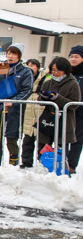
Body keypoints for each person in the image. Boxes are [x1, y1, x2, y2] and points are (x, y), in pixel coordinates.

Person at [0, 44, 33, 166]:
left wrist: (14, 101)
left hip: (15, 109)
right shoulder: (2, 67)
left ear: (19, 55)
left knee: (11, 137)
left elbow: (27, 90)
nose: (10, 56)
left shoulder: (25, 71)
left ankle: (13, 164)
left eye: (14, 54)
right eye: (9, 53)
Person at [36, 57, 81, 170]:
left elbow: (75, 104)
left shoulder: (73, 84)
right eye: (53, 70)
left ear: (65, 70)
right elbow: (40, 101)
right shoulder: (48, 82)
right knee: (42, 144)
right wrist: (44, 98)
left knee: (62, 145)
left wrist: (57, 98)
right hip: (48, 119)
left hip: (64, 120)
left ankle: (61, 168)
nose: (55, 73)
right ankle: (42, 166)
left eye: (58, 70)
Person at [20, 59, 48, 169]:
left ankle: (42, 162)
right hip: (28, 109)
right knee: (27, 138)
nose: (30, 67)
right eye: (28, 65)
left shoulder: (44, 77)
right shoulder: (25, 76)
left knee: (42, 138)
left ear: (38, 66)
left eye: (33, 65)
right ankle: (26, 162)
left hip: (39, 109)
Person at [68, 46, 83, 174]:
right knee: (62, 137)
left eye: (76, 56)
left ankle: (71, 166)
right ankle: (59, 161)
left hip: (81, 112)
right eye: (72, 56)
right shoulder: (65, 72)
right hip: (66, 109)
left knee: (77, 139)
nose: (73, 59)